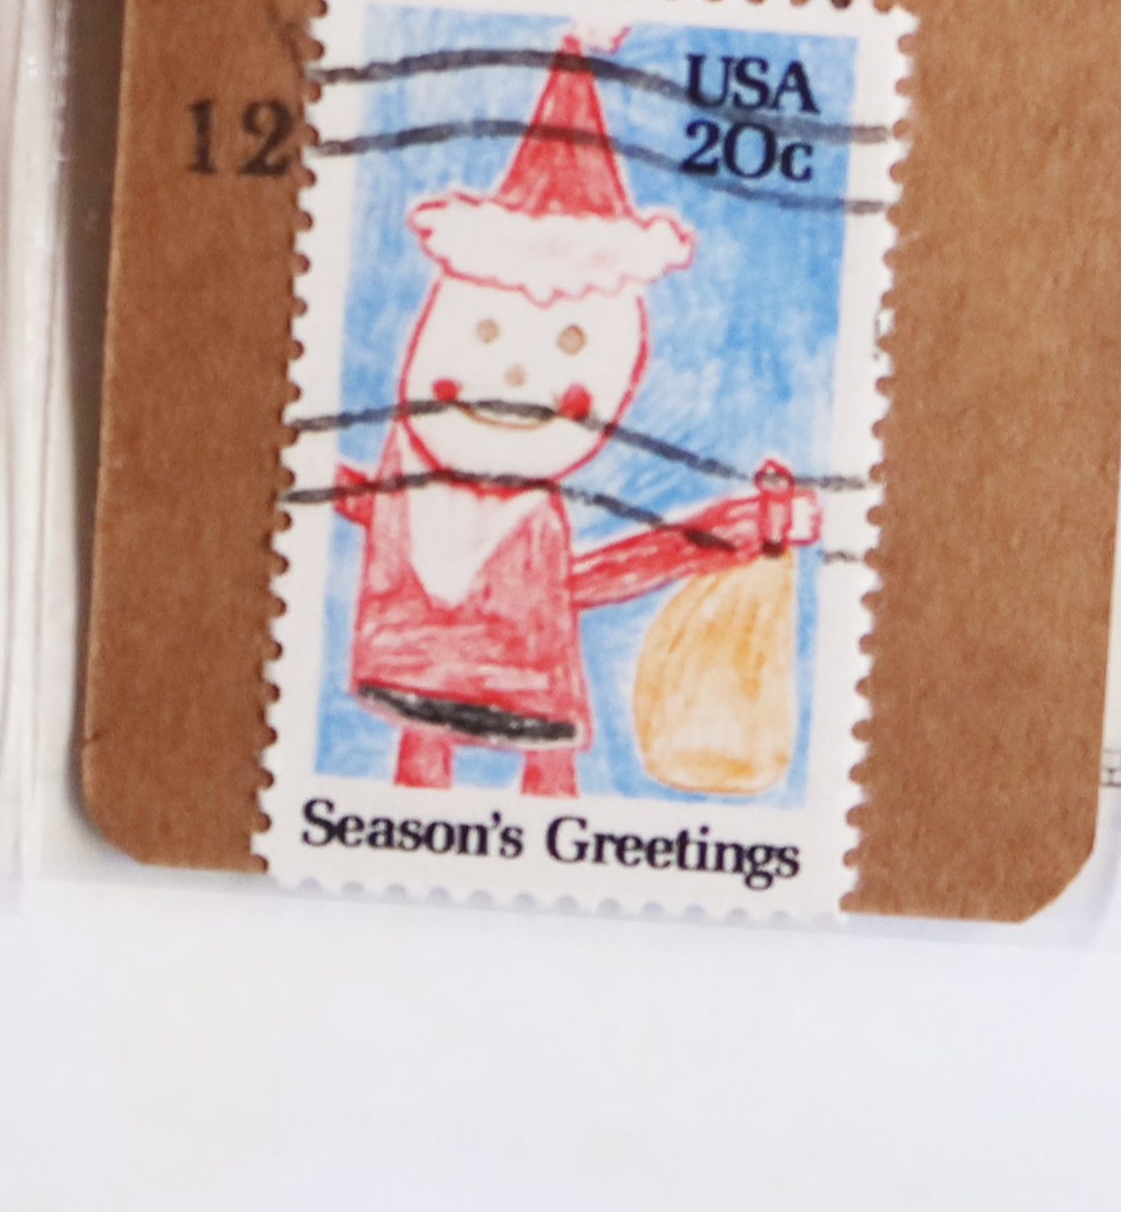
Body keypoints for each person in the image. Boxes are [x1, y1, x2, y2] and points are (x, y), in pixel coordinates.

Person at [326, 39, 821, 796]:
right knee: (420, 778)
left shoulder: (523, 528)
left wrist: (751, 523)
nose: (515, 376)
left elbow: (614, 570)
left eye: (567, 347)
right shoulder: (407, 476)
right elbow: (345, 493)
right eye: (486, 332)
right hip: (408, 680)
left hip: (533, 710)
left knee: (543, 794)